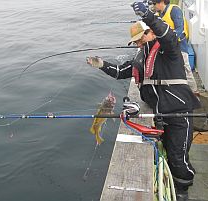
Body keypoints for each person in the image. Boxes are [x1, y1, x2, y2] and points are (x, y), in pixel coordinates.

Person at [86, 2, 200, 200]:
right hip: (159, 113)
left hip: (179, 113)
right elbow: (121, 71)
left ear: (151, 32)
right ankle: (169, 182)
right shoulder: (142, 56)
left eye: (141, 39)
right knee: (167, 154)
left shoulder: (169, 49)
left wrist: (147, 15)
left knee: (178, 159)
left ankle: (182, 191)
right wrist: (102, 65)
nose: (139, 44)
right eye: (136, 42)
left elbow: (166, 33)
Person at [152, 0, 198, 93]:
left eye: (154, 4)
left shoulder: (175, 10)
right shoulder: (158, 14)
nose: (153, 6)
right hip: (168, 46)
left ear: (161, 2)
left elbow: (179, 29)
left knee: (185, 67)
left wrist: (167, 39)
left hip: (180, 45)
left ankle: (194, 91)